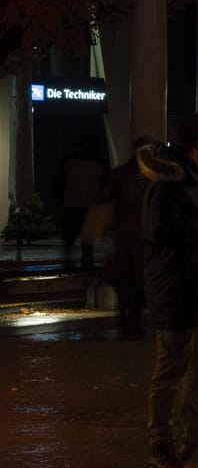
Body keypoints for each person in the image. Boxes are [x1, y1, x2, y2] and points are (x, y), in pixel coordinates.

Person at [140, 113, 198, 468]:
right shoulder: (169, 181)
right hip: (174, 287)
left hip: (194, 286)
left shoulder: (192, 176)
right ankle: (161, 443)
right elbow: (160, 231)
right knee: (171, 369)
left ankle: (195, 436)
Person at [100, 137, 154, 335]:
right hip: (141, 232)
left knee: (124, 276)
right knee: (138, 278)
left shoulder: (120, 173)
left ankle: (125, 315)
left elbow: (105, 196)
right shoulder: (152, 176)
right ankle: (134, 316)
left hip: (123, 232)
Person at [56, 138, 107, 268]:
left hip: (70, 205)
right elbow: (105, 186)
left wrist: (59, 203)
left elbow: (59, 184)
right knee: (88, 243)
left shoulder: (67, 162)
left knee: (69, 242)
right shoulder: (99, 163)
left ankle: (68, 266)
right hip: (91, 207)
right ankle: (87, 266)